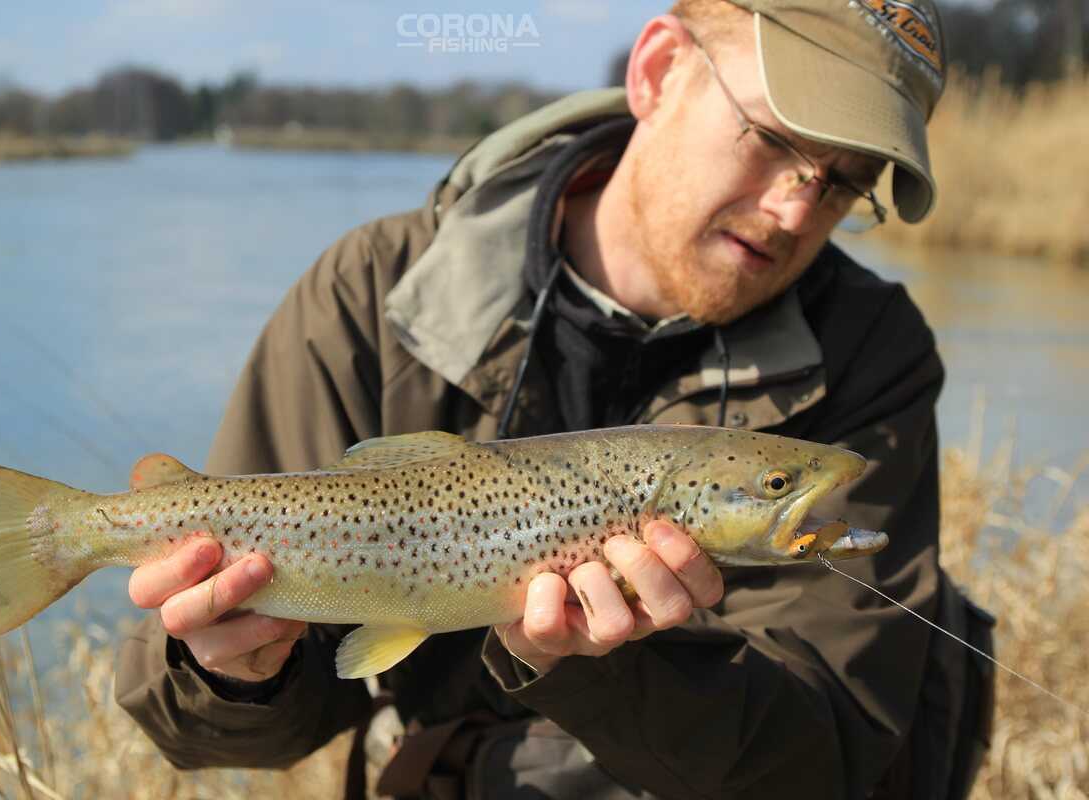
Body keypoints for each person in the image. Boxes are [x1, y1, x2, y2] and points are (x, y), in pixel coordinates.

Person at [115, 1, 995, 797]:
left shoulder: (873, 355)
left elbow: (824, 756)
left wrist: (592, 665)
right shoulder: (377, 291)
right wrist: (234, 673)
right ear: (657, 71)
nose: (796, 210)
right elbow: (216, 731)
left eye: (843, 181)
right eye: (772, 139)